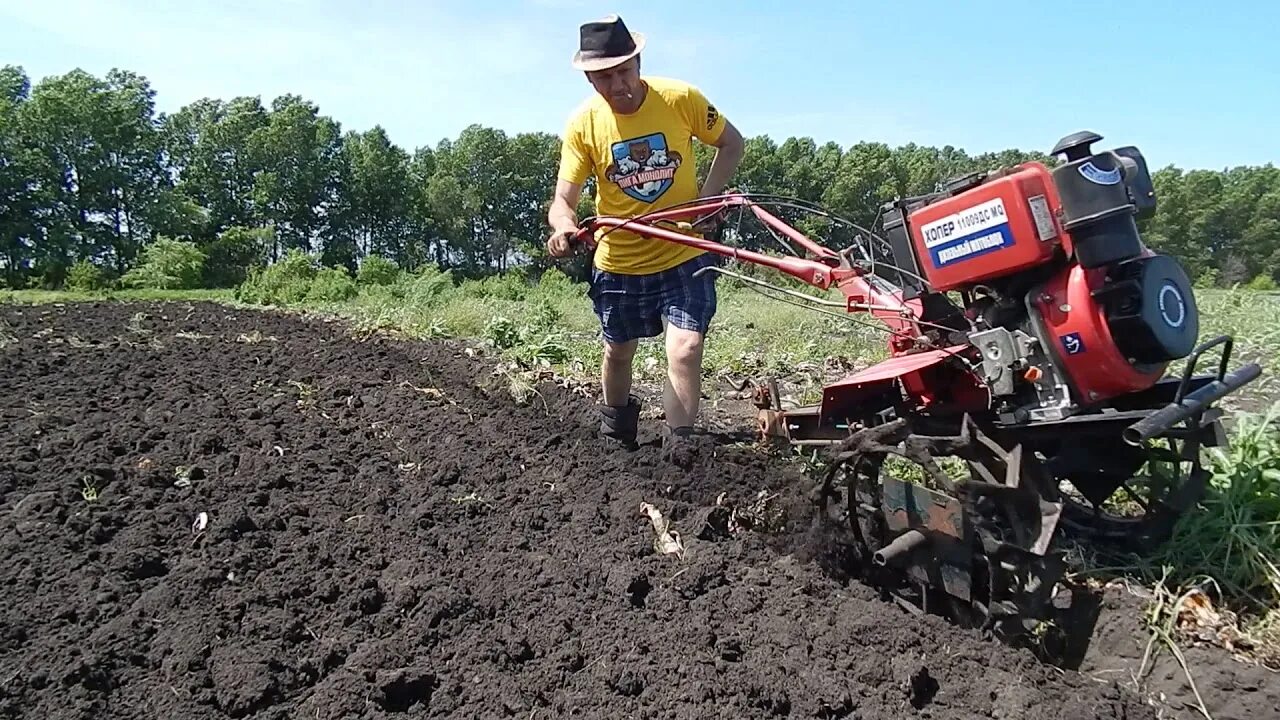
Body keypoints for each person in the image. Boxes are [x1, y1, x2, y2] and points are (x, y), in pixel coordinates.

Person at [545, 14, 745, 460]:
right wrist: (563, 227)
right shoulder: (584, 125)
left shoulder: (680, 99)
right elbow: (563, 200)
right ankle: (616, 429)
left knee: (686, 346)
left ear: (638, 62)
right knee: (618, 352)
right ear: (590, 80)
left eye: (624, 71)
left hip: (684, 252)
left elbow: (732, 143)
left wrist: (705, 203)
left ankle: (680, 446)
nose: (618, 85)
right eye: (604, 77)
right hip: (621, 262)